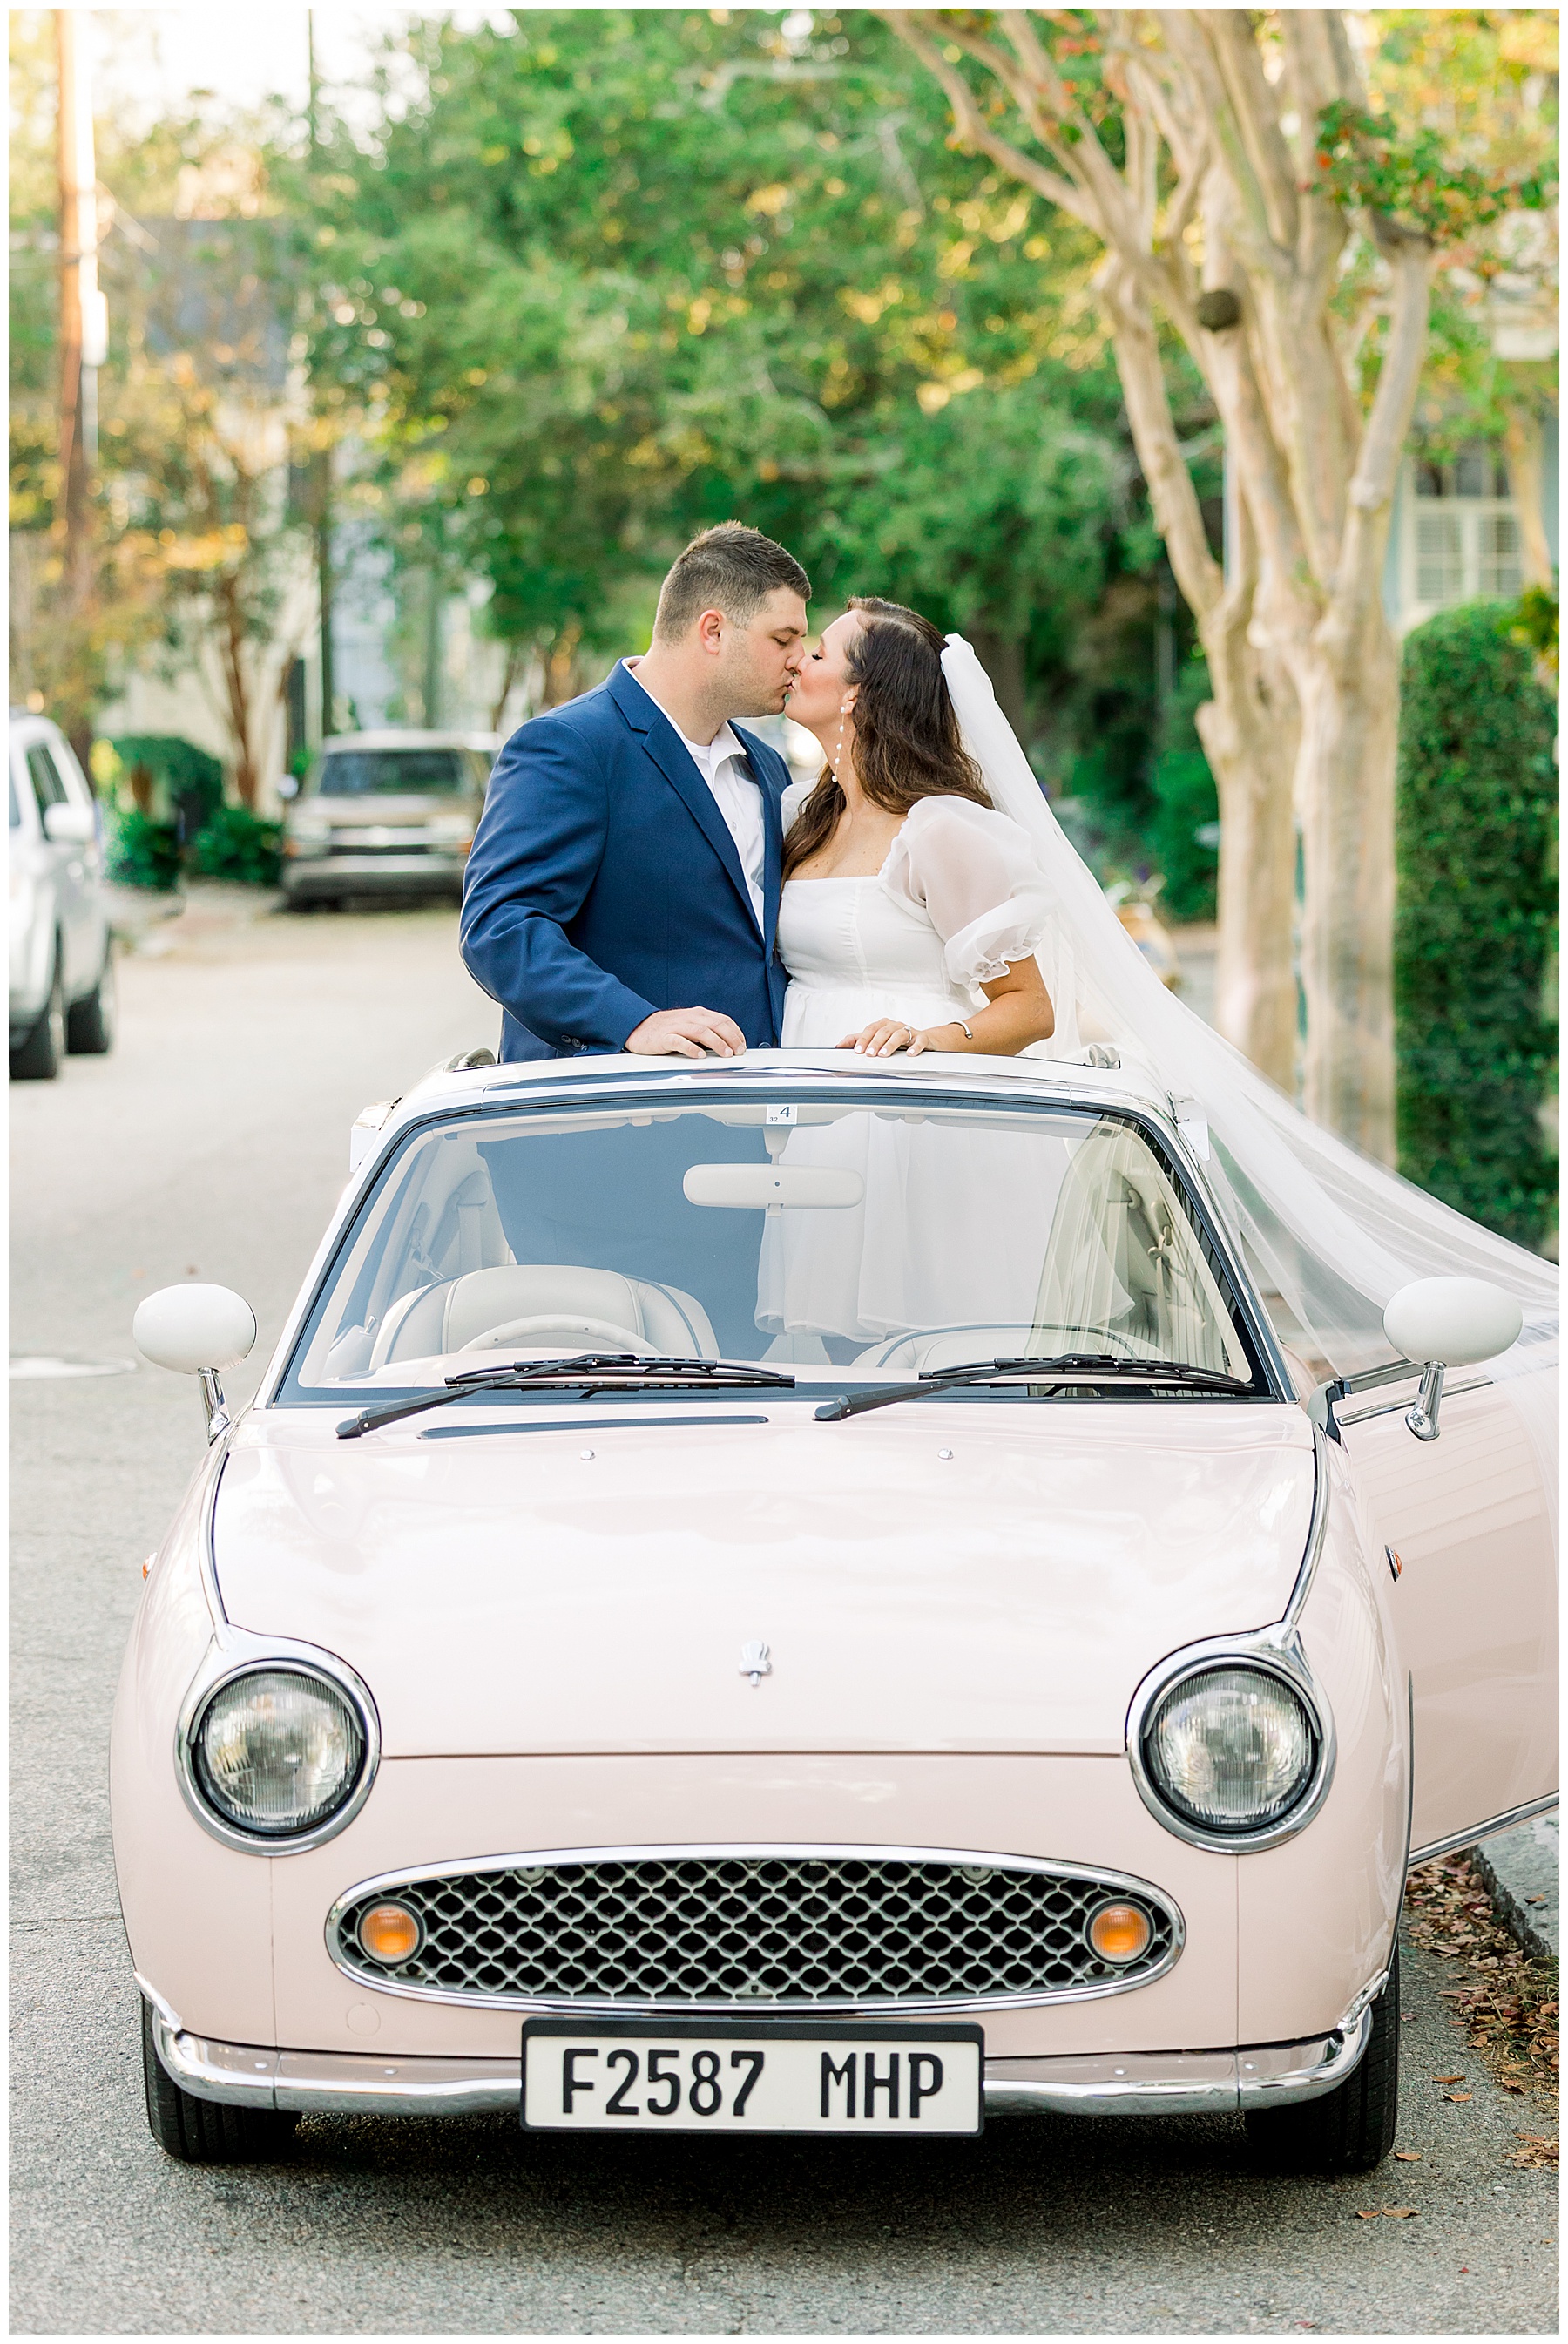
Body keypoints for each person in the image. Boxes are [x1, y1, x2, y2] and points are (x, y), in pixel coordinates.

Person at [461, 524, 808, 1061]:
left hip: (757, 1110)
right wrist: (632, 1021)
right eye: (783, 640)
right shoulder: (569, 746)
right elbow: (501, 927)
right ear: (712, 631)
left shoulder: (766, 767)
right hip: (621, 1112)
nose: (799, 660)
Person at [777, 596, 1056, 1055]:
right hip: (808, 1093)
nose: (798, 662)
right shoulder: (804, 816)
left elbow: (1031, 1008)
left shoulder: (937, 832)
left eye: (819, 654)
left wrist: (928, 1038)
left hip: (906, 1096)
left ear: (857, 693)